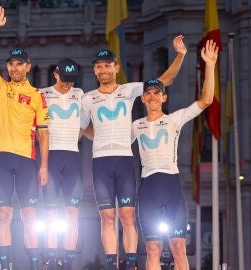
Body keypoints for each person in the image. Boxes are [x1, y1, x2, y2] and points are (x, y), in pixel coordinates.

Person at [80, 36, 188, 270]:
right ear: (95, 70)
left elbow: (164, 81)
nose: (103, 70)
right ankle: (111, 264)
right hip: (100, 161)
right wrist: (97, 137)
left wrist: (180, 54)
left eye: (108, 65)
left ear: (116, 68)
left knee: (127, 216)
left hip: (125, 160)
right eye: (99, 66)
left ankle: (130, 264)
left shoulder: (129, 90)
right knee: (106, 218)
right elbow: (80, 128)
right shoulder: (88, 99)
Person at [132, 40, 217, 270]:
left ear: (164, 98)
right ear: (142, 99)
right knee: (152, 249)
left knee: (178, 246)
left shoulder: (174, 119)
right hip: (148, 187)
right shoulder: (135, 125)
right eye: (147, 93)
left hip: (171, 185)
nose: (152, 96)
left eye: (156, 93)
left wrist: (210, 65)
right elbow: (107, 142)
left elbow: (206, 100)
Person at [0, 6, 50, 270]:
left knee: (30, 216)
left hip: (26, 162)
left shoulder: (37, 95)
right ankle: (4, 266)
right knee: (3, 215)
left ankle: (33, 266)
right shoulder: (1, 87)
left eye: (20, 63)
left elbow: (44, 134)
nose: (15, 67)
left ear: (28, 66)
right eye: (11, 63)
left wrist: (44, 166)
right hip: (0, 159)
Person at [40, 58, 85, 270]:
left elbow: (84, 125)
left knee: (72, 213)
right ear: (56, 74)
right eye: (65, 79)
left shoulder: (80, 94)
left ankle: (68, 262)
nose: (68, 85)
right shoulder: (43, 94)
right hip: (51, 157)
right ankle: (49, 259)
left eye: (72, 81)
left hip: (73, 157)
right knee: (50, 212)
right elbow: (37, 127)